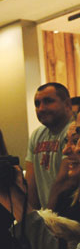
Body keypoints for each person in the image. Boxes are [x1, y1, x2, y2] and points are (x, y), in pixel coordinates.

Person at [26, 82, 75, 210]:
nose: (41, 108)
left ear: (67, 104)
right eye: (37, 104)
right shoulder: (36, 135)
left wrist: (48, 217)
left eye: (48, 101)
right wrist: (34, 216)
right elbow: (31, 183)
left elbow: (64, 181)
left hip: (69, 214)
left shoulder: (74, 132)